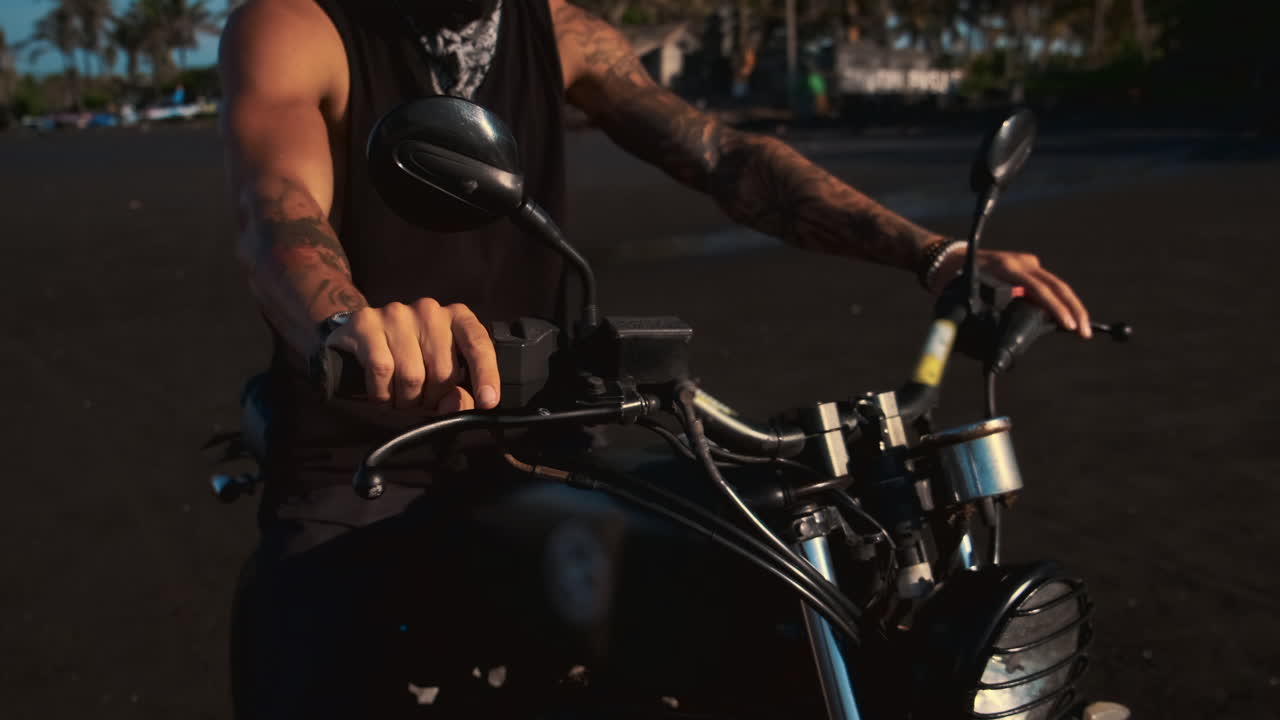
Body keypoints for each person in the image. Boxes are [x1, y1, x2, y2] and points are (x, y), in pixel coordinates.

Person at [219, 0, 1093, 717]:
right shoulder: (299, 26)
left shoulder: (559, 32)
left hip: (540, 431)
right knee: (319, 667)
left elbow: (727, 159)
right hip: (367, 443)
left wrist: (933, 254)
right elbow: (281, 209)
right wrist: (347, 323)